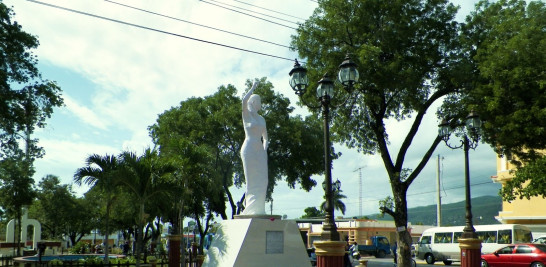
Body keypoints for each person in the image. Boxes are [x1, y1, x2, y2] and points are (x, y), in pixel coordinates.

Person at [240, 81, 269, 215]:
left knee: (264, 180)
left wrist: (264, 149)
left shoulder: (262, 119)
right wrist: (252, 88)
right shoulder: (246, 115)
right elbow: (243, 100)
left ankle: (259, 209)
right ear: (252, 102)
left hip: (260, 151)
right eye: (258, 101)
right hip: (249, 148)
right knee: (251, 181)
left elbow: (266, 138)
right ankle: (250, 210)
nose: (260, 103)